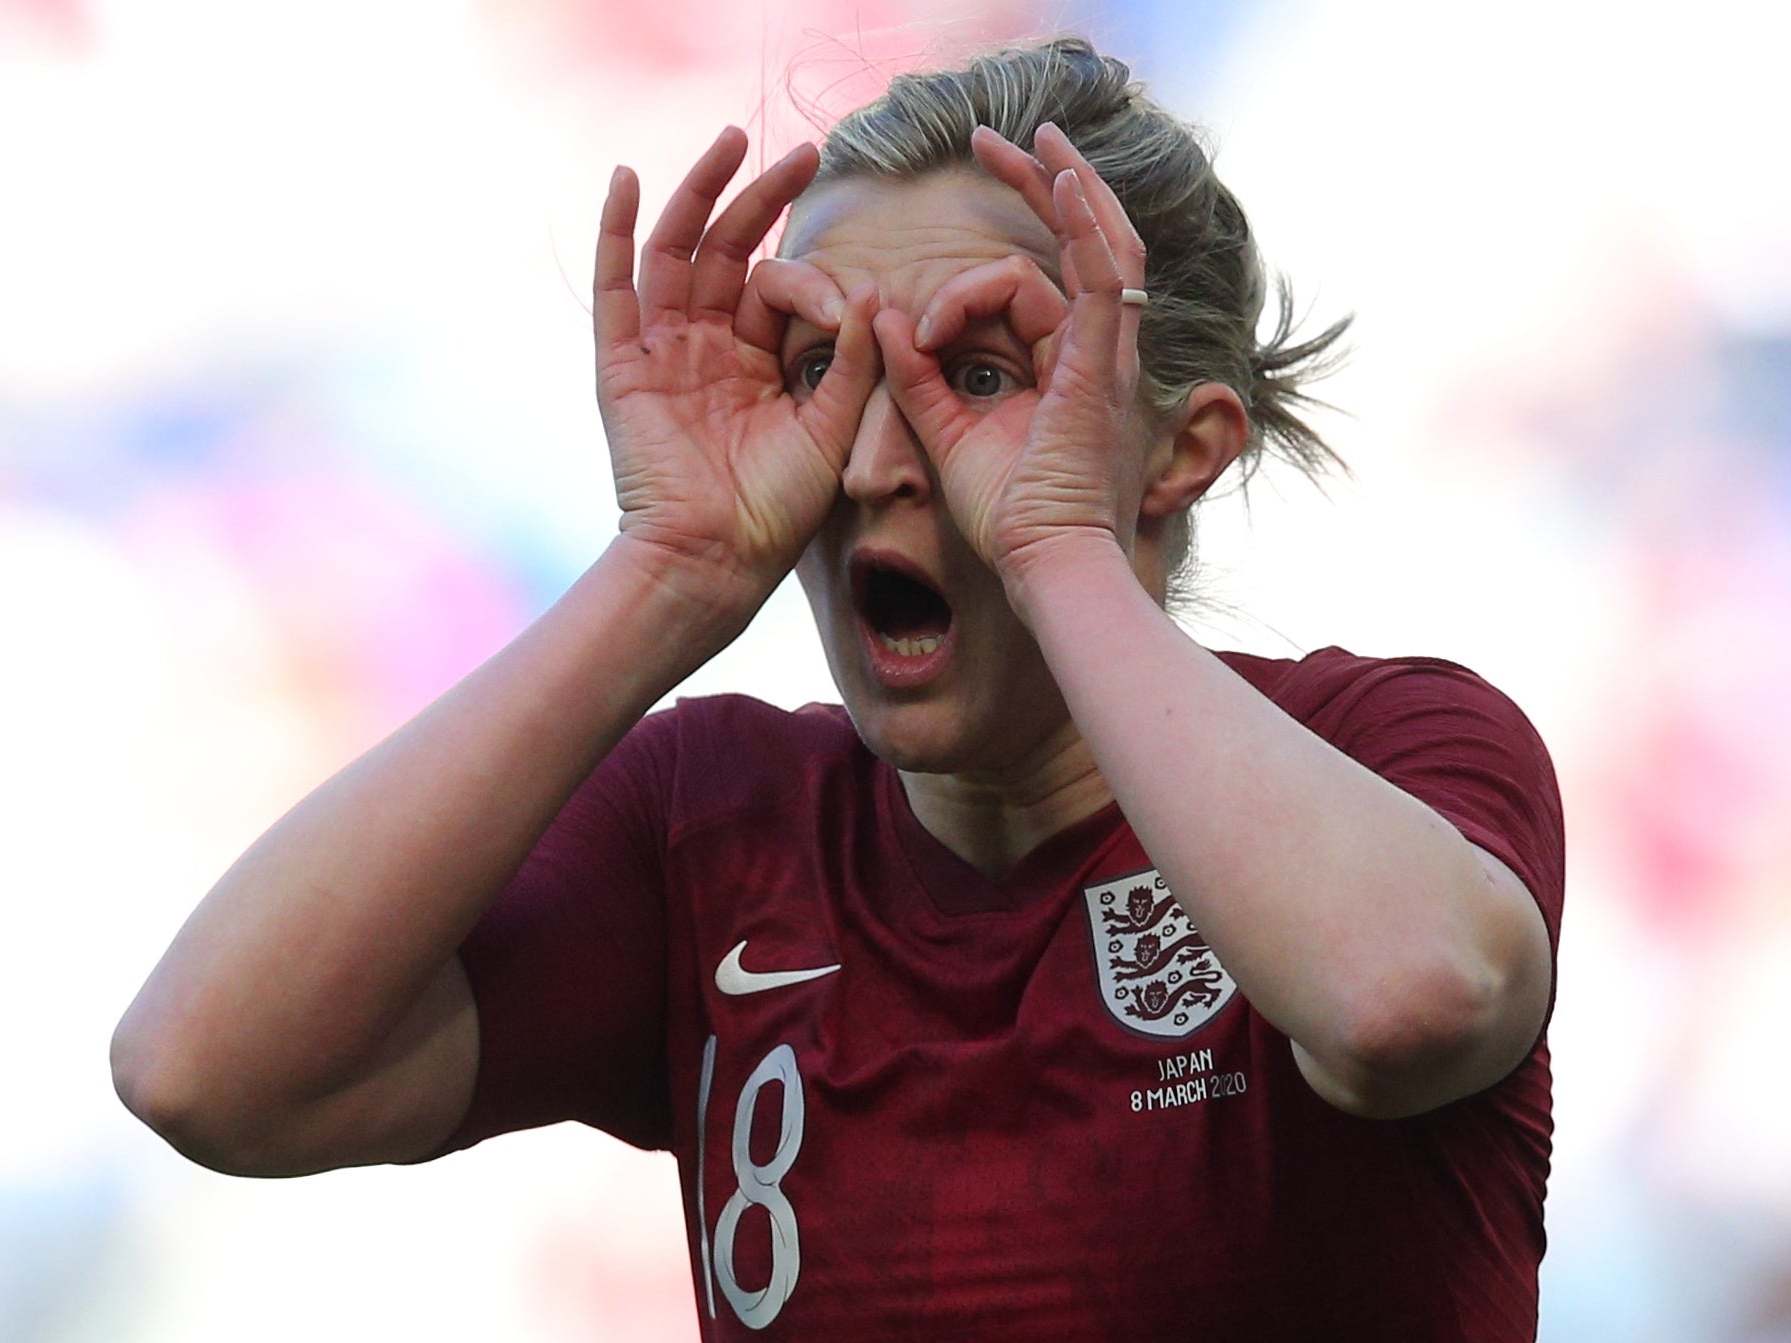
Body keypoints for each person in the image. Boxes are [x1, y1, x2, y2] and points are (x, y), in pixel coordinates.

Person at [111, 36, 1565, 1342]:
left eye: (985, 377)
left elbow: (1404, 999)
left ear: (1180, 451)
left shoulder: (1391, 750)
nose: (871, 462)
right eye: (819, 371)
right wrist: (668, 568)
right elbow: (207, 1068)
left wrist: (1059, 540)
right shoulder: (717, 825)